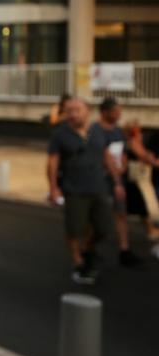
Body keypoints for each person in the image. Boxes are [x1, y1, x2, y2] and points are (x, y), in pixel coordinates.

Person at [46, 98, 115, 284]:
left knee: (104, 228)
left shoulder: (97, 131)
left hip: (99, 187)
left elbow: (106, 155)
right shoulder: (60, 134)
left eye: (77, 110)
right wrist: (53, 188)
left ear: (88, 111)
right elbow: (53, 162)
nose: (73, 114)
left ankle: (87, 248)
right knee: (74, 229)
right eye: (69, 110)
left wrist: (117, 181)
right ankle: (78, 262)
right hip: (74, 190)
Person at [94, 97, 142, 267]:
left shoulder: (117, 131)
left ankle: (124, 249)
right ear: (104, 112)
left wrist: (123, 165)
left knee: (121, 213)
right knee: (99, 217)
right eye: (115, 112)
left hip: (117, 179)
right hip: (100, 179)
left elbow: (123, 151)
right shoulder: (95, 130)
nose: (118, 115)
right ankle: (88, 247)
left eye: (119, 112)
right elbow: (100, 155)